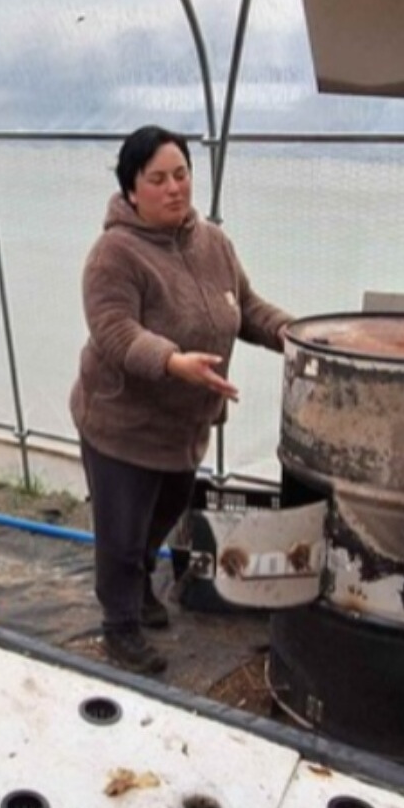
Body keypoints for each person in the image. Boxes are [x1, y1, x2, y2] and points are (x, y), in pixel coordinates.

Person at [70, 126, 291, 675]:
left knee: (162, 516)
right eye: (158, 179)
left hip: (185, 425)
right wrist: (173, 361)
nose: (174, 188)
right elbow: (114, 330)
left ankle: (141, 586)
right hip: (122, 424)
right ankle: (120, 627)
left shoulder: (212, 242)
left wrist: (295, 334)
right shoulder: (113, 255)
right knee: (121, 534)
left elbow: (246, 307)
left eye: (181, 174)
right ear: (131, 190)